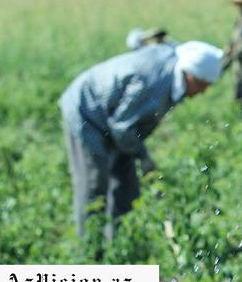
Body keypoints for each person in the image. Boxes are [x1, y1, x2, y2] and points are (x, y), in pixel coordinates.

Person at [60, 41, 223, 247]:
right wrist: (144, 158)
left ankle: (119, 245)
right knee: (93, 186)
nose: (202, 92)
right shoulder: (154, 83)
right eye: (201, 85)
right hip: (87, 112)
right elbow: (121, 127)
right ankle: (89, 251)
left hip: (118, 122)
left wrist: (138, 153)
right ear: (190, 75)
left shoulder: (174, 70)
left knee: (126, 185)